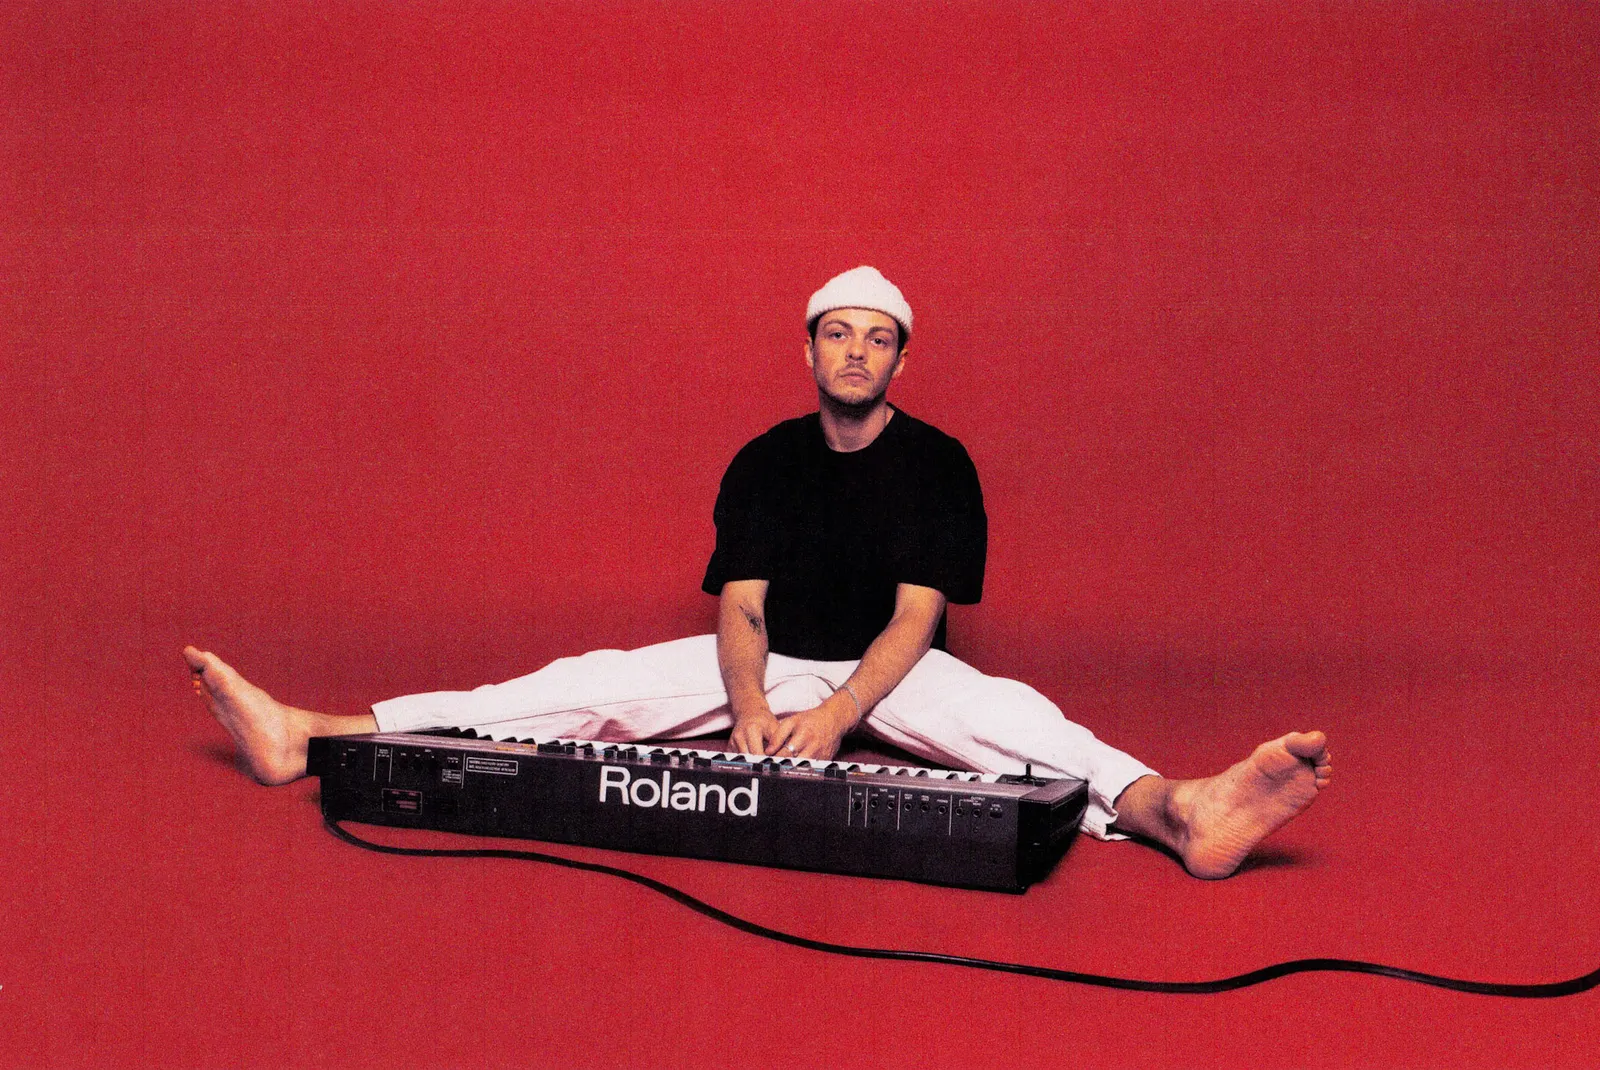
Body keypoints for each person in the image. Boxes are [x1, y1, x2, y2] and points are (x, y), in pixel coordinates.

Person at [186, 266, 1332, 879]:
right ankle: (311, 733)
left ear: (899, 359)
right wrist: (748, 706)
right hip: (770, 662)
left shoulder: (939, 461)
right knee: (579, 684)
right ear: (808, 347)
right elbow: (740, 603)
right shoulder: (764, 458)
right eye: (837, 332)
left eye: (876, 337)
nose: (855, 350)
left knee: (1023, 719)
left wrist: (835, 715)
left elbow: (916, 617)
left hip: (886, 674)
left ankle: (1179, 810)